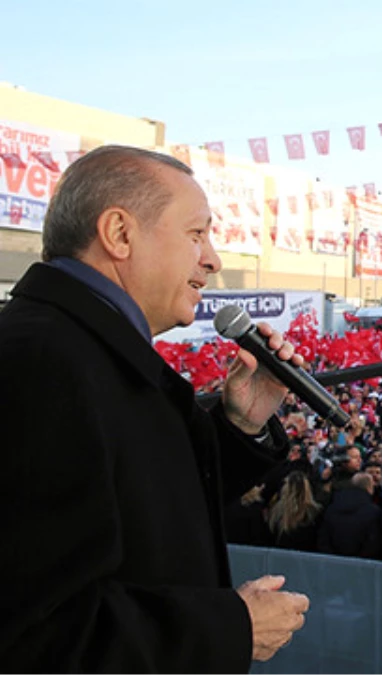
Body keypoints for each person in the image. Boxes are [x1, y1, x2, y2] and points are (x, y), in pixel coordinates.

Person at [0, 145, 309, 674]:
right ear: (120, 234)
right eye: (196, 234)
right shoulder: (42, 362)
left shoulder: (88, 351)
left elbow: (138, 502)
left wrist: (240, 425)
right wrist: (230, 627)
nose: (212, 258)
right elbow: (34, 632)